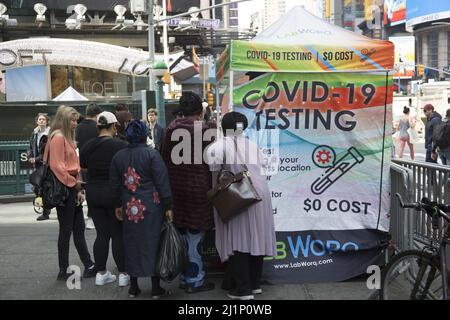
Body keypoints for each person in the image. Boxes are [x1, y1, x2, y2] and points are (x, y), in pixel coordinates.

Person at [205, 111, 276, 300]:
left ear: (223, 127)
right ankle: (255, 284)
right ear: (242, 127)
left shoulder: (218, 147)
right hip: (260, 194)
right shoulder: (253, 145)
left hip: (238, 196)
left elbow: (214, 177)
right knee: (256, 238)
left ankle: (243, 290)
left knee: (238, 241)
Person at [110, 120, 173, 299]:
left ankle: (134, 287)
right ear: (145, 134)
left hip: (129, 207)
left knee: (131, 243)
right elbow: (162, 182)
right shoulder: (152, 154)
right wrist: (168, 205)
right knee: (153, 243)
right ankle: (155, 288)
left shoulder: (118, 156)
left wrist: (117, 205)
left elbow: (114, 184)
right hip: (152, 206)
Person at [162, 91, 215, 293]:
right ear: (200, 111)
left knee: (183, 232)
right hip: (198, 189)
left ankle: (185, 276)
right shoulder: (205, 130)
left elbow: (164, 159)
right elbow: (213, 160)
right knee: (195, 235)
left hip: (176, 188)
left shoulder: (171, 128)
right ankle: (195, 279)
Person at [44, 106, 96, 281]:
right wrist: (75, 184)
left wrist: (77, 186)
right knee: (67, 230)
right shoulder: (58, 137)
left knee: (77, 229)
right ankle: (64, 269)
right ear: (64, 120)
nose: (75, 123)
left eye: (76, 120)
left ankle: (87, 264)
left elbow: (71, 164)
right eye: (72, 120)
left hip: (71, 187)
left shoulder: (63, 136)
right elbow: (57, 166)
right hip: (66, 188)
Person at [79, 111, 129, 287]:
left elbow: (84, 167)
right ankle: (123, 273)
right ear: (114, 126)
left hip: (93, 193)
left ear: (98, 127)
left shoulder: (87, 146)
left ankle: (101, 273)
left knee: (101, 234)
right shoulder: (121, 146)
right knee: (117, 234)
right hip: (114, 193)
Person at [76, 102, 103, 230]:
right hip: (96, 163)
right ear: (97, 115)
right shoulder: (98, 127)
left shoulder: (78, 127)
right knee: (95, 191)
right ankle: (92, 217)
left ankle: (85, 218)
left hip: (80, 163)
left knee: (84, 190)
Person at [29, 113, 51, 221]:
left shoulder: (49, 133)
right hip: (38, 165)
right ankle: (45, 210)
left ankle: (46, 211)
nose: (41, 121)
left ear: (47, 122)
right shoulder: (34, 133)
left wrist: (36, 158)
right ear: (37, 121)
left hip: (47, 164)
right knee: (38, 187)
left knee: (46, 187)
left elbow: (48, 151)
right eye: (39, 119)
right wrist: (30, 156)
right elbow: (30, 147)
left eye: (43, 119)